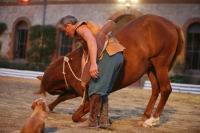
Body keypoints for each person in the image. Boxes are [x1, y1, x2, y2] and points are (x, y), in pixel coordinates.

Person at [60, 15, 125, 128]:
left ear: (69, 26)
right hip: (117, 56)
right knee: (103, 90)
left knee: (95, 88)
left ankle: (92, 122)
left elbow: (91, 41)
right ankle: (104, 121)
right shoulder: (82, 35)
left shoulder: (80, 27)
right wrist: (83, 78)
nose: (65, 34)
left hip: (107, 54)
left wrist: (94, 64)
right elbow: (85, 57)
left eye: (64, 30)